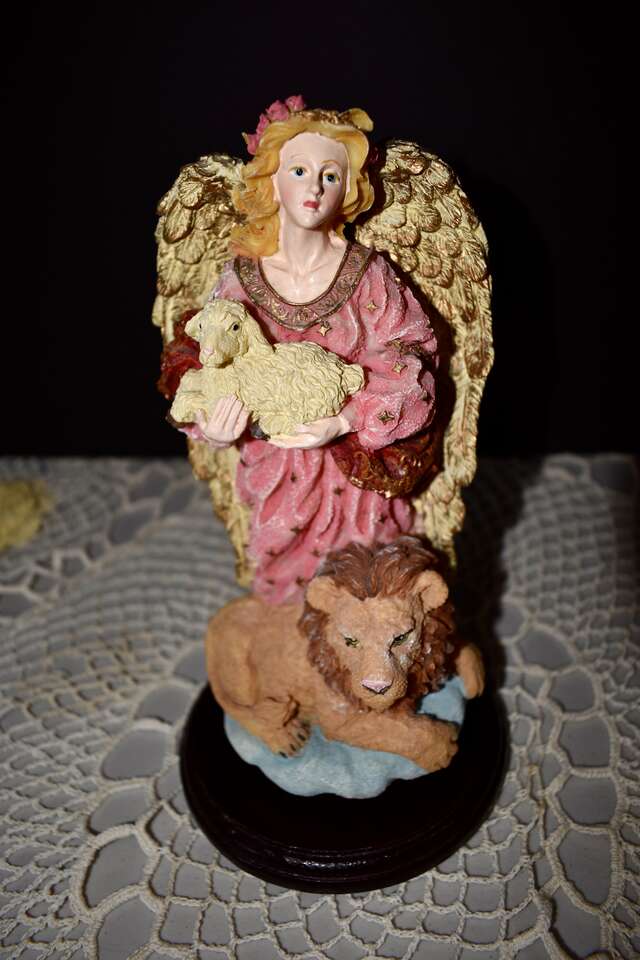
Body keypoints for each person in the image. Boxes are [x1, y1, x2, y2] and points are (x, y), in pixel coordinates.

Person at [177, 98, 439, 604]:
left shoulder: (367, 273)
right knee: (286, 577)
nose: (314, 188)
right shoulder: (240, 279)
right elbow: (206, 358)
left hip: (353, 471)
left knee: (367, 579)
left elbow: (411, 358)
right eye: (299, 171)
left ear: (349, 190)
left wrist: (345, 419)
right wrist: (214, 425)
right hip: (277, 468)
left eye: (330, 175)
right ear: (272, 181)